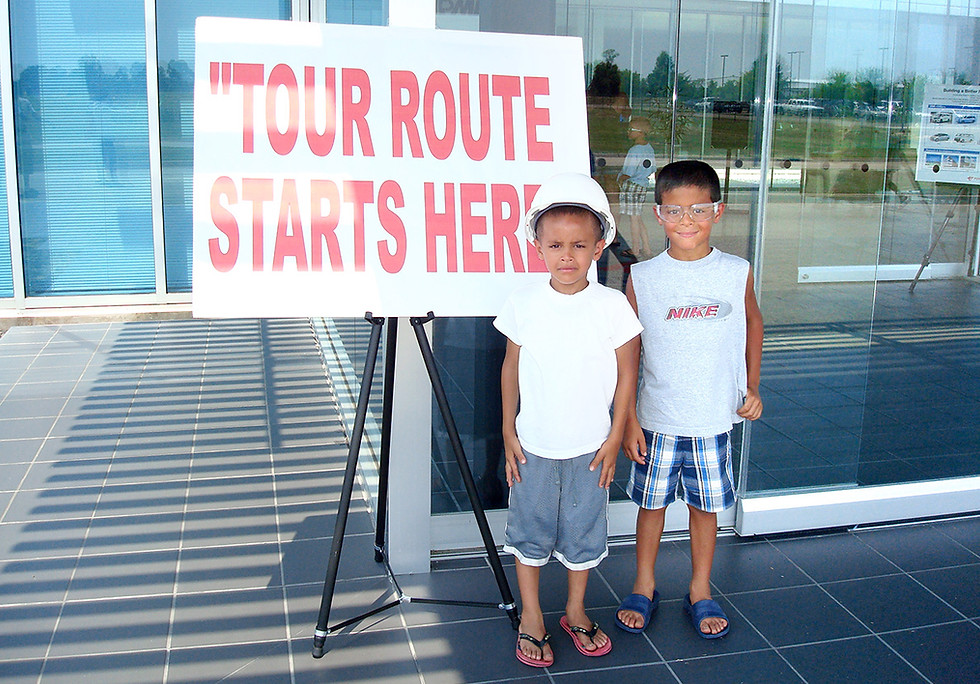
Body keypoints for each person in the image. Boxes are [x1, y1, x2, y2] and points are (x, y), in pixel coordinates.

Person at [494, 172, 642, 667]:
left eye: (579, 245)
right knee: (530, 531)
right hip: (534, 445)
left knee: (583, 534)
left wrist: (615, 436)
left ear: (599, 246)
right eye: (555, 244)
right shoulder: (524, 302)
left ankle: (575, 609)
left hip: (590, 448)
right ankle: (531, 615)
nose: (567, 256)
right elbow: (510, 367)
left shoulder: (612, 305)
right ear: (536, 246)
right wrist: (507, 430)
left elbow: (627, 375)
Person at [615, 160, 763, 639]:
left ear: (717, 211)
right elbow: (629, 350)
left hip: (713, 418)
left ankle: (700, 588)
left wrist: (752, 386)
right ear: (658, 214)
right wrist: (630, 416)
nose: (687, 221)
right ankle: (644, 583)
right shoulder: (643, 277)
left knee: (706, 507)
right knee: (651, 505)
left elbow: (753, 324)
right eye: (675, 211)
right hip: (657, 417)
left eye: (699, 210)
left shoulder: (735, 271)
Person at [617, 117, 657, 259]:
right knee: (638, 217)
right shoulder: (649, 148)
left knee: (633, 219)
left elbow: (628, 171)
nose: (628, 132)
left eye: (630, 129)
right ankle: (646, 247)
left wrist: (620, 179)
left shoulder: (635, 150)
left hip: (632, 186)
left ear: (640, 132)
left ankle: (635, 248)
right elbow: (652, 167)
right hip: (642, 185)